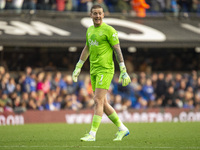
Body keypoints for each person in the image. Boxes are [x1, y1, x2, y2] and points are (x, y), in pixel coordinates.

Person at [72, 4, 131, 142]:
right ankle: (122, 128)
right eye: (95, 13)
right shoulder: (89, 30)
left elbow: (117, 50)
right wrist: (78, 66)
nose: (97, 16)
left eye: (100, 13)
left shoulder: (109, 30)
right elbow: (87, 48)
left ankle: (92, 134)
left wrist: (123, 69)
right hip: (94, 70)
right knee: (103, 103)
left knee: (97, 100)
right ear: (91, 15)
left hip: (106, 69)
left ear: (103, 15)